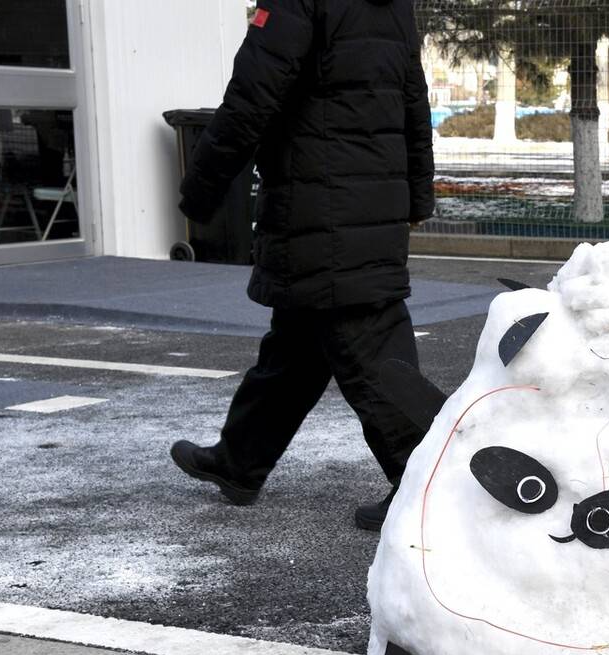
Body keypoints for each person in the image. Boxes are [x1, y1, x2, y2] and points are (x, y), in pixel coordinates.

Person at [170, 0, 435, 531]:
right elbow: (413, 101)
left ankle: (429, 487)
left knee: (372, 353)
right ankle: (239, 461)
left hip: (320, 208)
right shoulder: (390, 8)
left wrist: (200, 190)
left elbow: (250, 98)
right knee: (294, 351)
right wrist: (417, 196)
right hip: (365, 206)